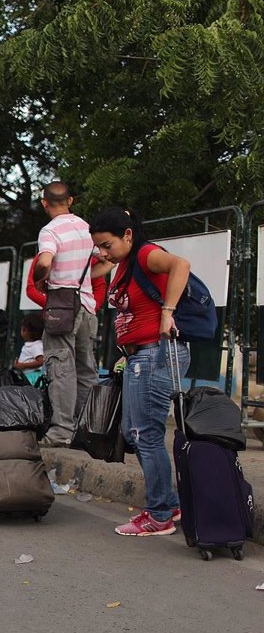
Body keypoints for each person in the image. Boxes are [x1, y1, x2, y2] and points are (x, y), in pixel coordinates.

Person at [89, 207, 191, 536]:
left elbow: (182, 265)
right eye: (99, 247)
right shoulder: (124, 266)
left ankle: (160, 513)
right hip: (139, 357)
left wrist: (168, 312)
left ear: (128, 236)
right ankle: (168, 505)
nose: (103, 253)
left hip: (156, 353)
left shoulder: (147, 254)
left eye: (107, 245)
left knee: (145, 434)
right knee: (137, 432)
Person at [31, 182, 99, 447]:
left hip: (61, 308)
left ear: (44, 203)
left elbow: (45, 262)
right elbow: (105, 259)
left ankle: (61, 431)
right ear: (70, 201)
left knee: (60, 368)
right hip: (87, 305)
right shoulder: (86, 228)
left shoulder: (49, 231)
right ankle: (86, 429)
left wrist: (40, 279)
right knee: (86, 368)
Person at [13, 311, 46, 385]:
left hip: (33, 377)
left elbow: (41, 361)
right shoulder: (30, 345)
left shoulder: (36, 346)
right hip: (27, 376)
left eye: (23, 329)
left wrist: (23, 365)